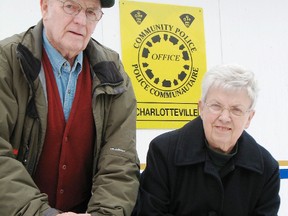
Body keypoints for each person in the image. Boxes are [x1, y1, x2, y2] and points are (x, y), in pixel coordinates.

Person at [0, 0, 140, 215]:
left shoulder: (114, 74)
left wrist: (104, 213)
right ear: (45, 7)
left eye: (91, 12)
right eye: (71, 6)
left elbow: (120, 158)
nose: (81, 21)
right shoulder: (7, 62)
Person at [132, 64, 280, 216]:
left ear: (249, 118)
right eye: (216, 106)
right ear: (201, 108)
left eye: (236, 110)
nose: (224, 117)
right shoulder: (163, 152)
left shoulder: (267, 169)